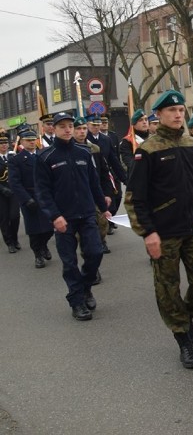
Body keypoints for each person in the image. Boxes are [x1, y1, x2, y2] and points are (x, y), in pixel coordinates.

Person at [125, 90, 193, 370]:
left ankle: (186, 318)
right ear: (158, 115)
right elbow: (135, 198)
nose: (177, 115)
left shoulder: (192, 146)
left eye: (181, 110)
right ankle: (183, 339)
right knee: (167, 288)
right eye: (171, 110)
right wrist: (148, 233)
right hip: (164, 233)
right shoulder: (148, 151)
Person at [34, 112, 111, 321]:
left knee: (95, 253)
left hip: (86, 214)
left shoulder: (84, 153)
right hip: (63, 219)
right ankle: (77, 301)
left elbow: (93, 182)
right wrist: (54, 216)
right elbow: (42, 192)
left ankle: (85, 288)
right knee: (69, 263)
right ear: (54, 129)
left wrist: (103, 205)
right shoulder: (45, 157)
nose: (67, 129)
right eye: (62, 126)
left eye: (70, 125)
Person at [9, 129, 54, 268]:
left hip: (45, 196)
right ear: (21, 142)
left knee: (49, 228)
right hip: (29, 197)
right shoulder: (16, 160)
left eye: (33, 139)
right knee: (34, 230)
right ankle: (38, 255)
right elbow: (15, 183)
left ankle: (44, 245)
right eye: (28, 140)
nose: (32, 142)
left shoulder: (43, 155)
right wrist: (26, 199)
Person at [74, 117, 113, 254]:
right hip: (78, 195)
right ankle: (88, 251)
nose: (82, 132)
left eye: (84, 128)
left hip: (96, 191)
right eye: (78, 129)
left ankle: (101, 240)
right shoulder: (70, 149)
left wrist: (107, 193)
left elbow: (104, 172)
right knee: (84, 228)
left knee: (103, 222)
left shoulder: (94, 148)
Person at [98, 116, 123, 233]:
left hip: (111, 171)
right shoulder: (87, 140)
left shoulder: (110, 137)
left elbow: (115, 157)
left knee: (118, 197)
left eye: (105, 122)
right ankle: (106, 224)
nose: (103, 124)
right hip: (98, 174)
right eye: (99, 123)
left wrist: (125, 177)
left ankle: (110, 219)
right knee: (105, 201)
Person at [0, 134, 22, 254]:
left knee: (15, 216)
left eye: (5, 143)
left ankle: (15, 238)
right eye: (1, 143)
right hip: (1, 193)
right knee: (4, 219)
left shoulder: (13, 156)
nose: (4, 145)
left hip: (13, 191)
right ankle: (9, 242)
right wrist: (2, 189)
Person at [118, 110, 149, 177]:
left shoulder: (153, 138)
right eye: (141, 120)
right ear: (134, 124)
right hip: (137, 177)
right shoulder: (127, 141)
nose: (144, 122)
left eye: (146, 119)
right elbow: (129, 162)